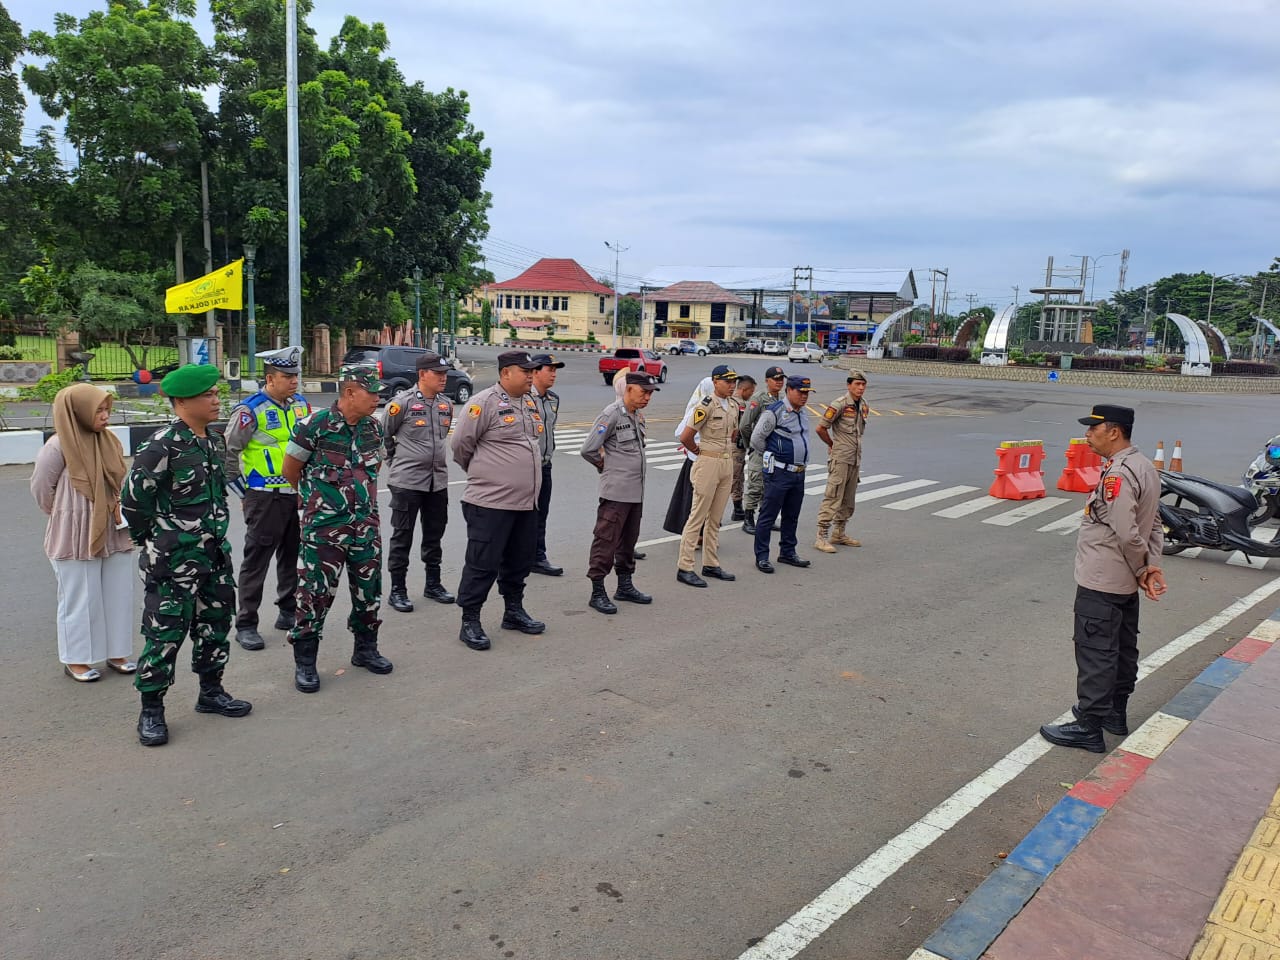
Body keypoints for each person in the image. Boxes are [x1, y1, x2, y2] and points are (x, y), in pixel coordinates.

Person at [121, 364, 251, 747]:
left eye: (215, 393)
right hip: (173, 561)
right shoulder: (161, 446)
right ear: (182, 402)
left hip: (214, 556)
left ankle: (211, 691)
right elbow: (133, 501)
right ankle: (151, 709)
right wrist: (155, 540)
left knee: (215, 624)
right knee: (165, 632)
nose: (216, 400)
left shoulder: (214, 441)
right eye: (207, 395)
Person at [1041, 404, 1167, 753]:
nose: (1087, 435)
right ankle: (1115, 713)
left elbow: (1127, 532)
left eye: (1093, 429)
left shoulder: (1119, 474)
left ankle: (1089, 726)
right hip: (1123, 582)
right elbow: (1154, 523)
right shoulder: (1143, 466)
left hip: (1103, 579)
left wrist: (1143, 568)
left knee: (1096, 651)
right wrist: (1151, 565)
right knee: (1123, 648)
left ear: (1114, 432)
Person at [282, 364, 393, 693]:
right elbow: (291, 470)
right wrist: (318, 503)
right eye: (371, 393)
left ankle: (366, 649)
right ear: (350, 392)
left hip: (365, 526)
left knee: (369, 591)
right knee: (314, 594)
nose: (377, 399)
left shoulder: (373, 427)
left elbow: (374, 468)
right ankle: (305, 661)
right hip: (323, 529)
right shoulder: (314, 426)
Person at [30, 383, 136, 682]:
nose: (105, 416)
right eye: (98, 411)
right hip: (75, 533)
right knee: (80, 598)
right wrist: (69, 514)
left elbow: (120, 481)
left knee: (118, 593)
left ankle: (117, 653)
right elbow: (41, 489)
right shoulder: (58, 446)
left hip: (113, 528)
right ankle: (76, 659)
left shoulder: (109, 440)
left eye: (106, 410)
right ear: (78, 412)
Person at [450, 350, 546, 651]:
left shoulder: (530, 402)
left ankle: (513, 611)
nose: (530, 376)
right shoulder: (483, 403)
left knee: (519, 561)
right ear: (505, 373)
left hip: (525, 503)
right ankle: (470, 620)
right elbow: (460, 446)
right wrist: (487, 474)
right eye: (525, 371)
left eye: (532, 371)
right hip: (489, 502)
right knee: (482, 564)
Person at [224, 346, 311, 650]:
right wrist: (244, 493)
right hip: (264, 497)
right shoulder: (250, 410)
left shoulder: (301, 405)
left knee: (293, 555)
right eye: (287, 376)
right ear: (270, 378)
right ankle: (246, 623)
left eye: (296, 376)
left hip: (296, 495)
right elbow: (229, 454)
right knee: (256, 561)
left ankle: (287, 611)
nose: (294, 381)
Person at [378, 351, 456, 613]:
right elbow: (383, 435)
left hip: (437, 482)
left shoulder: (446, 404)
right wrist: (396, 462)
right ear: (422, 374)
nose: (443, 378)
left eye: (445, 374)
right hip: (407, 483)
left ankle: (433, 584)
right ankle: (397, 590)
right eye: (438, 373)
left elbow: (442, 436)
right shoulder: (402, 403)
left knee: (434, 535)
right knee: (402, 537)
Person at [580, 371, 660, 614]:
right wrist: (606, 466)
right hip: (616, 493)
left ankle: (624, 585)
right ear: (629, 389)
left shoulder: (637, 415)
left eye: (650, 394)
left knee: (628, 541)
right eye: (643, 392)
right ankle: (597, 591)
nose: (647, 398)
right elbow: (588, 449)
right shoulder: (611, 414)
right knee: (606, 541)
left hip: (635, 492)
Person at [675, 364, 742, 588]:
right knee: (697, 516)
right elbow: (686, 436)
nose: (732, 385)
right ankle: (685, 567)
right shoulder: (705, 406)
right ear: (715, 382)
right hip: (708, 461)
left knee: (715, 518)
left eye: (734, 381)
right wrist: (700, 453)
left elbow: (733, 434)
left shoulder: (734, 405)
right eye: (727, 381)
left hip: (726, 463)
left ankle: (711, 563)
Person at [751, 375, 815, 574]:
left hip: (798, 473)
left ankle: (787, 552)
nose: (804, 396)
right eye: (801, 392)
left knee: (791, 515)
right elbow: (756, 439)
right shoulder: (774, 412)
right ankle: (762, 556)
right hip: (779, 472)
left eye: (807, 393)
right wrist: (773, 455)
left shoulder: (802, 412)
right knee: (768, 516)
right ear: (789, 390)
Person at [813, 371, 869, 553]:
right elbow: (821, 428)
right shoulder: (839, 404)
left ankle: (839, 533)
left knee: (848, 499)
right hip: (841, 458)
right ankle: (821, 536)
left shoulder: (864, 405)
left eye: (863, 384)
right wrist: (831, 444)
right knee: (833, 496)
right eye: (857, 384)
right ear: (849, 385)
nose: (860, 388)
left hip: (855, 458)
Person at [529, 353, 567, 577]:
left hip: (545, 465)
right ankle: (515, 557)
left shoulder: (553, 399)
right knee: (522, 515)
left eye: (555, 370)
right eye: (549, 369)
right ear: (535, 371)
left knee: (541, 514)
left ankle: (538, 557)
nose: (553, 374)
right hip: (526, 468)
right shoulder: (525, 398)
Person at [661, 376, 713, 536]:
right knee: (694, 500)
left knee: (707, 500)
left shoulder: (721, 408)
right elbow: (681, 433)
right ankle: (694, 535)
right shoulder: (699, 409)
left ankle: (704, 533)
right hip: (697, 461)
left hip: (710, 461)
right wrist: (696, 449)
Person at [740, 366, 786, 534]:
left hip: (775, 451)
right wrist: (752, 445)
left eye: (781, 379)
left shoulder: (782, 399)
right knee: (755, 484)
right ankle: (748, 519)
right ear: (767, 381)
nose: (779, 382)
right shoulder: (759, 398)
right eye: (776, 379)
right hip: (760, 449)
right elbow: (745, 425)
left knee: (770, 487)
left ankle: (766, 519)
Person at [730, 375, 756, 522]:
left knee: (737, 477)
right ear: (744, 389)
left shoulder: (729, 401)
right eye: (751, 392)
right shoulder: (740, 405)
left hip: (732, 446)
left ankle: (738, 510)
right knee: (734, 478)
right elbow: (744, 427)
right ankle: (734, 509)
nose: (751, 395)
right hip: (735, 446)